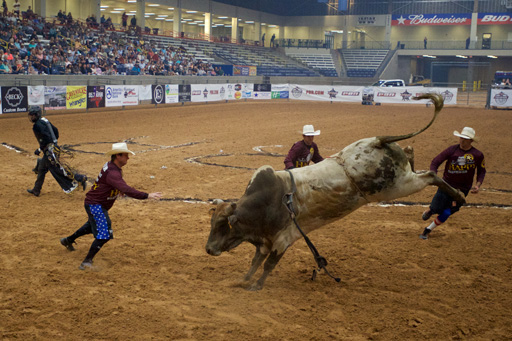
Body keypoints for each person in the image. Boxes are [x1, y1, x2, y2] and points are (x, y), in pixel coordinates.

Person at [60, 142, 162, 270]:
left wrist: (117, 189)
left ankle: (67, 240)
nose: (128, 158)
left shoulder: (111, 167)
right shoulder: (113, 172)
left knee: (91, 227)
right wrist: (146, 195)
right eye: (126, 155)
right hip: (95, 205)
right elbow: (126, 188)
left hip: (95, 203)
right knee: (105, 233)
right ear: (118, 156)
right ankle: (86, 262)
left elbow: (113, 183)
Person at [419, 127, 486, 240]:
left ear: (471, 141)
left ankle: (427, 230)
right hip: (446, 185)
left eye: (465, 139)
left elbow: (482, 171)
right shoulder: (451, 150)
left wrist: (478, 185)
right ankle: (431, 210)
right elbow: (435, 162)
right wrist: (433, 175)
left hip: (462, 190)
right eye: (461, 138)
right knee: (436, 207)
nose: (462, 140)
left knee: (447, 212)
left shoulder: (478, 155)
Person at [26, 106, 88, 197]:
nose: (32, 118)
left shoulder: (37, 125)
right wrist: (53, 143)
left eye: (33, 115)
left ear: (37, 114)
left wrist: (40, 149)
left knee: (59, 170)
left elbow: (45, 138)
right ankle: (36, 190)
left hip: (49, 152)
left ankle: (80, 178)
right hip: (54, 149)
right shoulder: (45, 120)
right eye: (31, 115)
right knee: (42, 169)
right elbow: (56, 132)